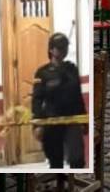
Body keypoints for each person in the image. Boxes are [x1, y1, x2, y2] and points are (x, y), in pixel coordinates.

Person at [31, 33, 87, 169]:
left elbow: (78, 96)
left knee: (77, 160)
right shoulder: (42, 73)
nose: (63, 50)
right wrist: (37, 124)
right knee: (55, 162)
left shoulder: (71, 69)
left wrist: (84, 119)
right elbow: (37, 100)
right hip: (51, 121)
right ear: (51, 49)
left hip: (72, 120)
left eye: (65, 47)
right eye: (59, 47)